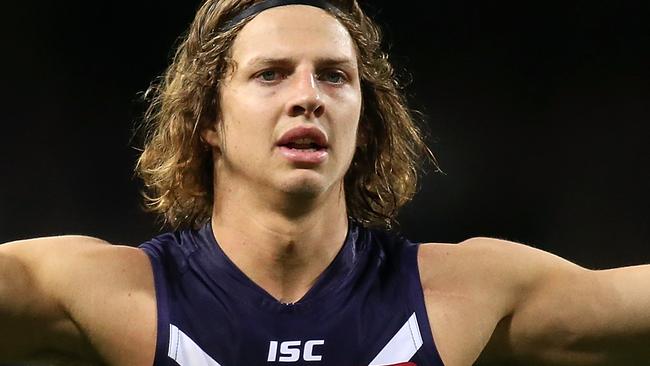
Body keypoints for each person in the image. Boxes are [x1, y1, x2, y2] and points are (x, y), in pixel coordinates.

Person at [0, 0, 648, 365]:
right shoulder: (111, 296)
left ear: (364, 124)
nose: (308, 96)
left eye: (335, 76)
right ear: (208, 121)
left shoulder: (462, 294)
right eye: (271, 73)